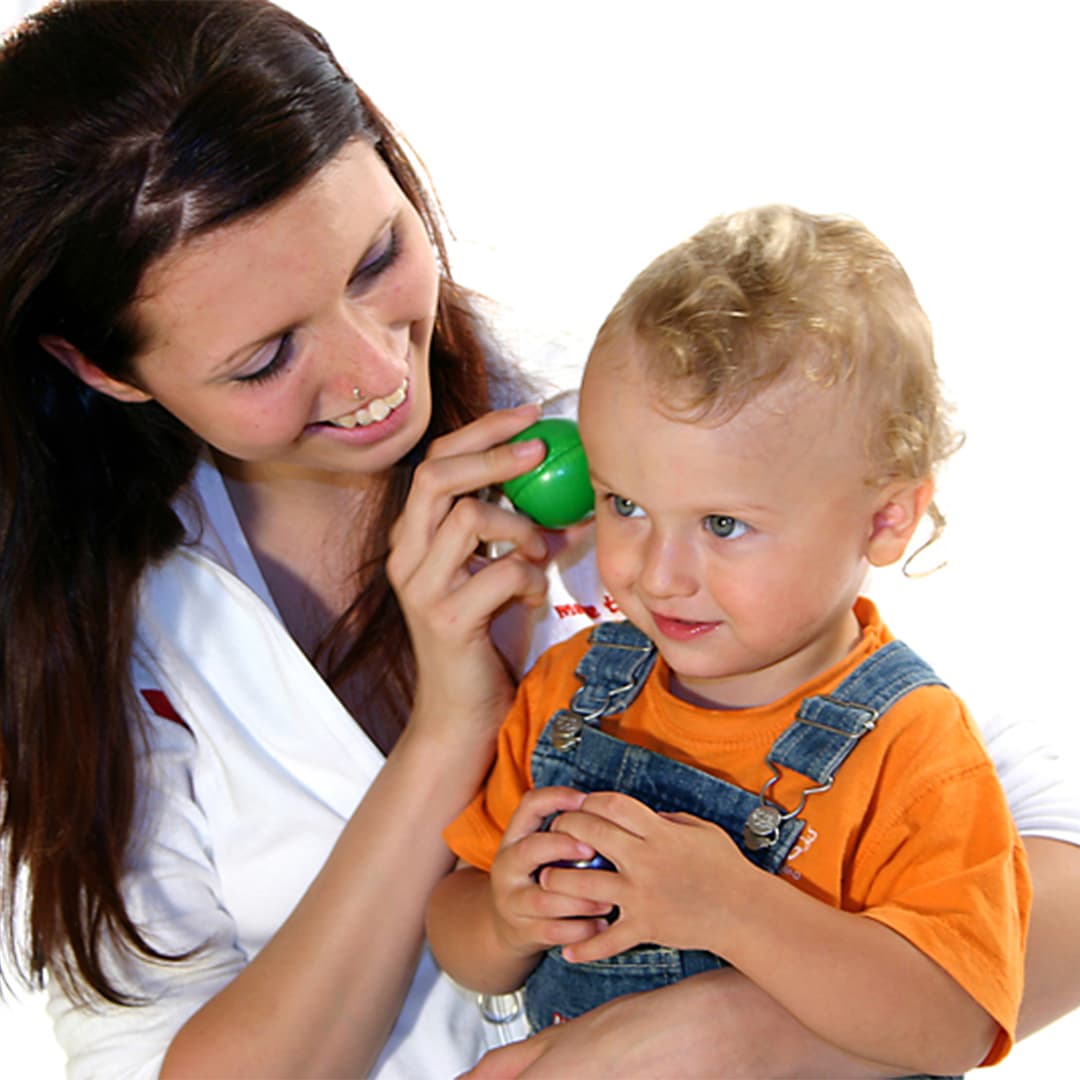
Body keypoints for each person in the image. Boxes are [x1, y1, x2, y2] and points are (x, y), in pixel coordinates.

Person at [0, 1, 1077, 1077]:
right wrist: (451, 730)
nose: (378, 372)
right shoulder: (94, 639)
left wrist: (709, 1037)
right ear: (101, 369)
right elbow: (159, 1054)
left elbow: (1041, 833)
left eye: (377, 259)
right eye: (265, 358)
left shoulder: (634, 426)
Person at [427, 206, 1030, 1075]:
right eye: (626, 505)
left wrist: (734, 909)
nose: (658, 573)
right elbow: (458, 923)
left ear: (886, 518)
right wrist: (501, 918)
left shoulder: (915, 751)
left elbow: (954, 1026)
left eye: (722, 524)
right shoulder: (573, 692)